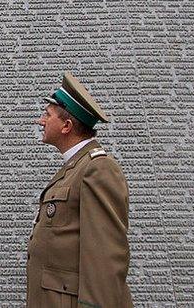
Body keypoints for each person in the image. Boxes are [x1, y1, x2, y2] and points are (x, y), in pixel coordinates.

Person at [26, 72, 132, 308]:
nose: (41, 121)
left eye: (47, 115)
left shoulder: (98, 169)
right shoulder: (76, 167)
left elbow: (105, 257)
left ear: (67, 126)